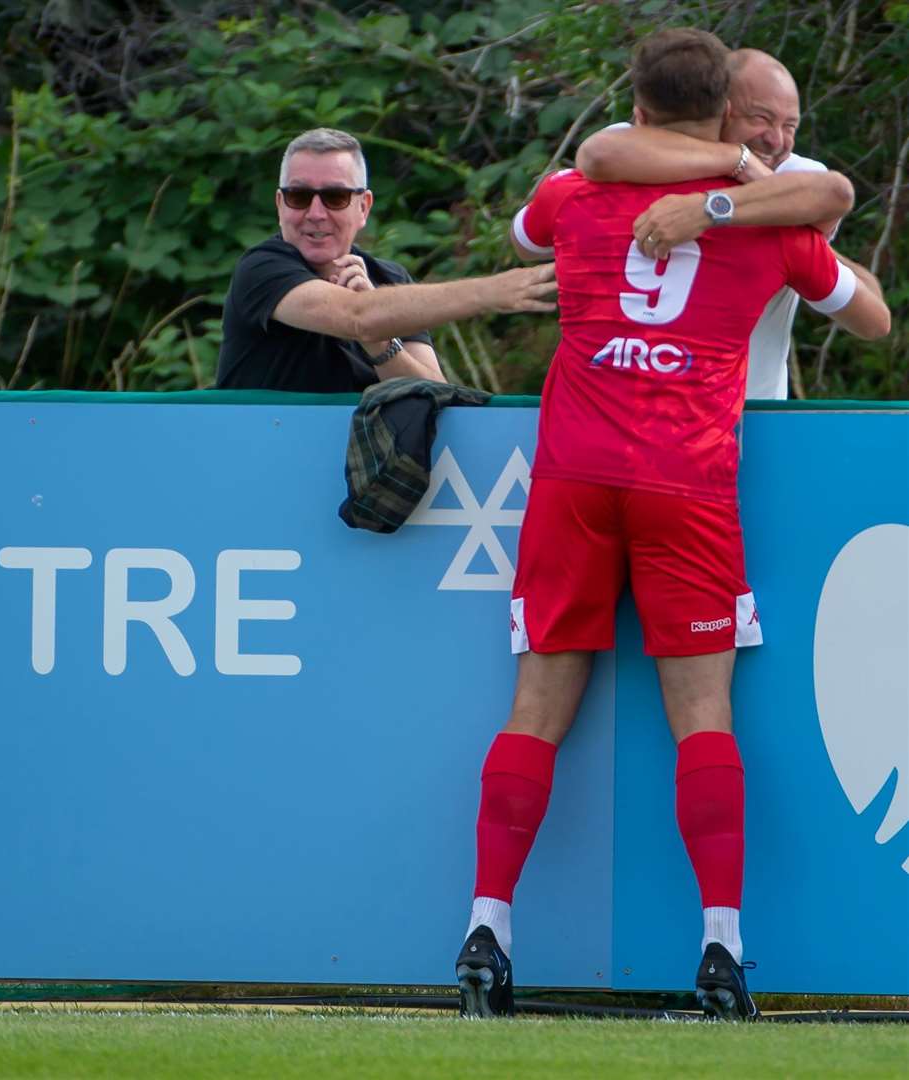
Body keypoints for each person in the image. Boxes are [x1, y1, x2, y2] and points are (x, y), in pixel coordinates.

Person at [453, 29, 889, 1021]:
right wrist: (737, 192)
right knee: (703, 720)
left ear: (636, 105)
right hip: (685, 480)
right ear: (729, 116)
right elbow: (871, 321)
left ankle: (485, 930)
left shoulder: (576, 193)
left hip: (572, 474)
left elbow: (530, 224)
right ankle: (721, 950)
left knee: (531, 714)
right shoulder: (771, 224)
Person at [574, 49, 879, 399]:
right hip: (628, 408)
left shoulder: (796, 176)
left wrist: (713, 208)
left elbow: (835, 195)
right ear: (721, 109)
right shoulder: (637, 150)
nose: (776, 139)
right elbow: (598, 154)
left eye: (790, 125)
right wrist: (737, 161)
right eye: (760, 118)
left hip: (754, 414)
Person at [216, 127, 558, 392]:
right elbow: (356, 316)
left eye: (334, 197)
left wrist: (378, 341)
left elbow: (434, 393)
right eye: (299, 196)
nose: (315, 213)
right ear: (280, 205)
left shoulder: (389, 276)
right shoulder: (261, 268)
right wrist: (491, 292)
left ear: (363, 207)